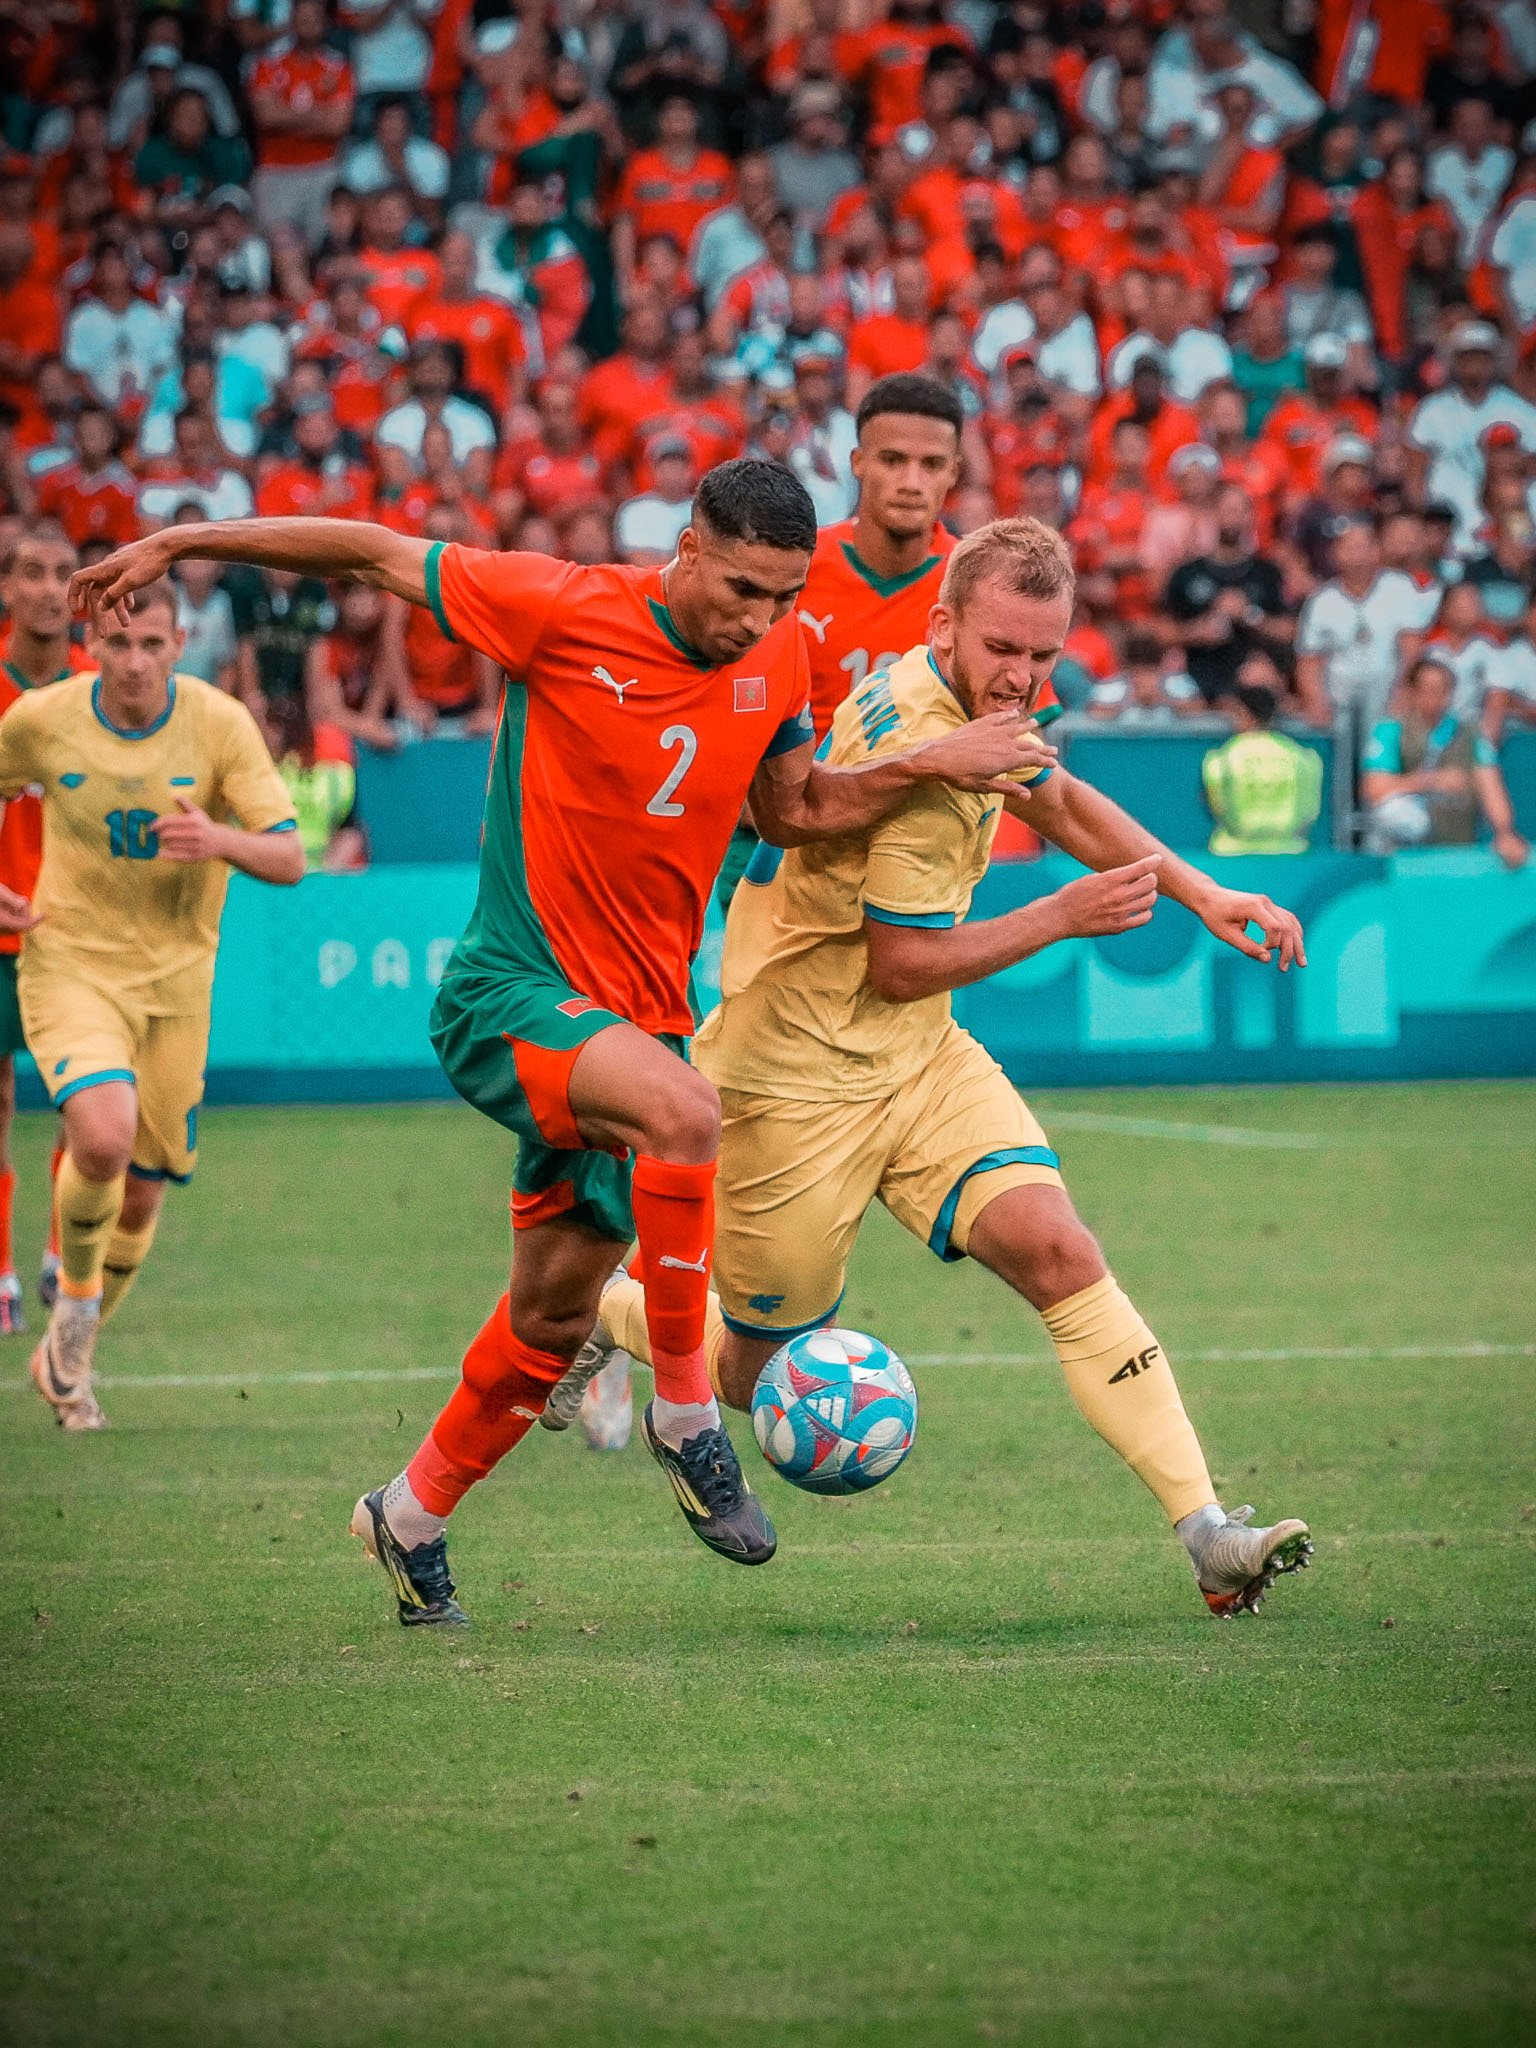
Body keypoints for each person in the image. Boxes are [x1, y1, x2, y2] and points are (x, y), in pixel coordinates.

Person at [71, 460, 1052, 1621]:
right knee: (688, 1112)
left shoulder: (781, 654)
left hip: (634, 1027)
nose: (760, 618)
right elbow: (372, 551)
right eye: (741, 588)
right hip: (512, 990)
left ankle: (409, 1513)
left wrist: (926, 761)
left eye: (785, 596)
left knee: (550, 1319)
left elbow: (794, 810)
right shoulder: (560, 605)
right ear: (687, 549)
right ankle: (685, 1413)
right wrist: (183, 541)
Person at [551, 517, 1314, 1621]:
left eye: (1044, 655)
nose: (1024, 677)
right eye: (1004, 649)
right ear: (944, 625)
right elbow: (903, 963)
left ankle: (1210, 1534)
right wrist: (1060, 915)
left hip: (916, 1059)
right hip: (791, 1081)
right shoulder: (926, 752)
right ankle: (612, 1310)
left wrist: (1204, 893)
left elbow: (1055, 797)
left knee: (1060, 1249)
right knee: (752, 1375)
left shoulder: (960, 698)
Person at [0, 578, 302, 1430]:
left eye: (152, 645)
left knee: (143, 1193)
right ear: (92, 644)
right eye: (119, 644)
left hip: (176, 985)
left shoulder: (218, 724)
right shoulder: (43, 720)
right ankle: (74, 1299)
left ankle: (73, 1346)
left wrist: (219, 839)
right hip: (70, 963)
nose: (134, 662)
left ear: (180, 644)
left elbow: (288, 858)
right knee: (102, 1135)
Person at [0, 522, 81, 1329]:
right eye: (32, 572)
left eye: (64, 573)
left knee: (82, 1103)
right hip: (0, 932)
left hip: (79, 935)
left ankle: (62, 1263)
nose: (49, 589)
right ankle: (1, 1277)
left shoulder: (103, 684)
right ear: (6, 587)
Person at [1362, 655, 1528, 868]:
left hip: (1457, 839)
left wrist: (1504, 833)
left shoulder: (1469, 734)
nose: (1437, 698)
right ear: (1412, 692)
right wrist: (1430, 781)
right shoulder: (1391, 729)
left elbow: (1490, 783)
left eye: (1443, 690)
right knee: (1395, 810)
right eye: (1429, 690)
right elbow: (1374, 788)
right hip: (1403, 847)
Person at [1202, 666, 1325, 856]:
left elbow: (1217, 804)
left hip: (1233, 854)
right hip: (1291, 851)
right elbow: (1310, 811)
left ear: (1244, 713)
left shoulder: (1223, 758)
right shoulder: (1302, 756)